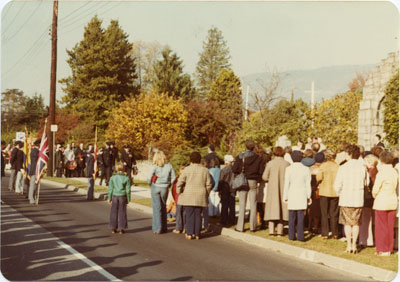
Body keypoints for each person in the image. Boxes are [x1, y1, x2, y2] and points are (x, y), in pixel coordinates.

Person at [334, 145, 369, 254]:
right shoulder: (362, 168)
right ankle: (354, 245)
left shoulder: (343, 167)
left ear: (349, 154)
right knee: (356, 223)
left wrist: (339, 193)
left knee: (347, 223)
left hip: (346, 197)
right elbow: (366, 183)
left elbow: (337, 184)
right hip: (357, 198)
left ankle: (349, 245)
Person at [176, 151, 212, 240]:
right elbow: (209, 184)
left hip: (188, 194)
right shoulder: (205, 170)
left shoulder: (187, 169)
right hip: (201, 194)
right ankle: (197, 234)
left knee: (189, 214)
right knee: (198, 214)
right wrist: (207, 193)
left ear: (191, 159)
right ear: (200, 160)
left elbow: (180, 182)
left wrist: (179, 191)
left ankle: (189, 233)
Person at [233, 140, 263, 232]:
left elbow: (234, 169)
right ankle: (253, 226)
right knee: (253, 203)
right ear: (253, 147)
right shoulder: (258, 158)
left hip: (243, 181)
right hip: (253, 181)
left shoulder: (240, 156)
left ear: (245, 147)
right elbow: (261, 171)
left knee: (242, 204)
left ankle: (240, 226)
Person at [372, 151, 398, 256]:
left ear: (382, 160)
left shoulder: (382, 173)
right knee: (389, 226)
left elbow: (375, 189)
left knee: (381, 226)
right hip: (392, 200)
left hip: (382, 201)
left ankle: (382, 248)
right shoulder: (394, 171)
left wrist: (375, 195)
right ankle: (389, 248)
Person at [283, 151, 312, 241]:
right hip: (302, 194)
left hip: (292, 193)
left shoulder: (289, 169)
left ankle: (291, 235)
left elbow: (286, 183)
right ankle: (300, 236)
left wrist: (285, 196)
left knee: (291, 216)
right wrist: (309, 196)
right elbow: (308, 184)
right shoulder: (306, 169)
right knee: (300, 216)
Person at [263, 146, 290, 236]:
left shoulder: (270, 163)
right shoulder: (287, 164)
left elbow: (264, 177)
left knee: (272, 209)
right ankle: (280, 231)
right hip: (284, 189)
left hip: (272, 188)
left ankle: (271, 230)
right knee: (282, 209)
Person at [147, 151, 176, 234]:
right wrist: (169, 184)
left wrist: (150, 183)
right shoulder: (169, 166)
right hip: (165, 187)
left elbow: (149, 178)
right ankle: (164, 227)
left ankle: (157, 228)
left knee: (156, 208)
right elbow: (173, 177)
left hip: (155, 187)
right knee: (163, 207)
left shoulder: (154, 167)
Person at [317, 149, 340, 239]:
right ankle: (335, 233)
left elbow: (319, 177)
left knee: (324, 213)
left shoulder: (323, 166)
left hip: (324, 191)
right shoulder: (337, 166)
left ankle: (325, 233)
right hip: (334, 192)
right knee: (334, 213)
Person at [359, 153, 378, 247]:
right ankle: (368, 239)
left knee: (365, 219)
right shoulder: (375, 170)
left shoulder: (369, 171)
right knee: (368, 219)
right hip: (371, 197)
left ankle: (364, 240)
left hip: (367, 197)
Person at [108, 162, 131, 234]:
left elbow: (110, 189)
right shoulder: (126, 178)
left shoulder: (112, 178)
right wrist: (128, 198)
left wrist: (109, 197)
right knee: (122, 212)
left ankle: (113, 227)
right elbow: (128, 190)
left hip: (115, 195)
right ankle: (122, 228)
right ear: (123, 169)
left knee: (114, 212)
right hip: (122, 195)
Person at [219, 155, 236, 227]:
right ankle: (232, 220)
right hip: (232, 188)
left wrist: (219, 189)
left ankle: (223, 221)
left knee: (224, 206)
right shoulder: (234, 170)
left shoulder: (223, 170)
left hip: (225, 189)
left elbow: (221, 180)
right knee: (232, 206)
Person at [172, 167, 185, 234]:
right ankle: (184, 228)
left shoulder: (177, 180)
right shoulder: (187, 179)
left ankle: (178, 228)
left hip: (179, 198)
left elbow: (174, 190)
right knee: (184, 213)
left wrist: (175, 198)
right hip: (184, 199)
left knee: (179, 213)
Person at [28, 139, 40, 204]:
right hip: (34, 169)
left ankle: (32, 197)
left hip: (36, 169)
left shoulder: (36, 151)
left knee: (35, 184)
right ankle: (31, 198)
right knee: (33, 184)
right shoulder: (35, 151)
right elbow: (35, 161)